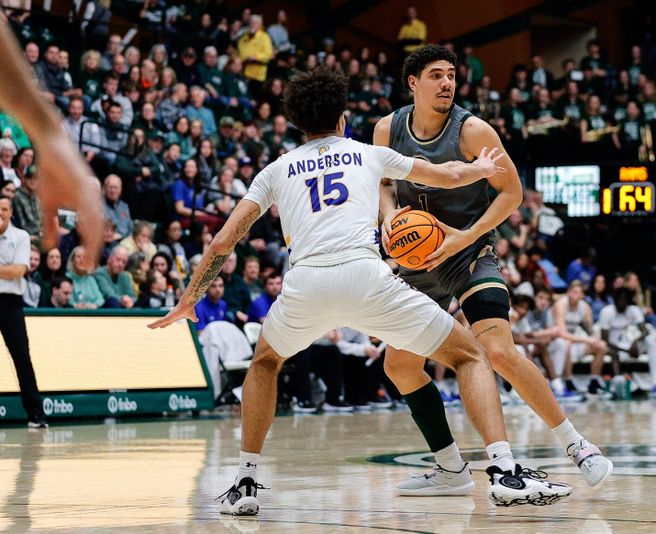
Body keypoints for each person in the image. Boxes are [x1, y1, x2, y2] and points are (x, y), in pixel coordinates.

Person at [149, 67, 573, 515]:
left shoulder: (275, 170)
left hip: (306, 285)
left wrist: (188, 299)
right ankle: (504, 472)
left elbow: (222, 242)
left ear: (298, 124)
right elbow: (445, 175)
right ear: (343, 118)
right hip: (365, 279)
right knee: (468, 355)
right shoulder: (367, 154)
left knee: (266, 362)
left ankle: (246, 480)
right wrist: (480, 168)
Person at [376, 45, 611, 495]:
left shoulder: (472, 130)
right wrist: (388, 217)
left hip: (467, 251)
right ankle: (450, 470)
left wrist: (464, 237)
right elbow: (381, 184)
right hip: (417, 255)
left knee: (500, 351)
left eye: (452, 75)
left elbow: (511, 192)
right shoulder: (387, 128)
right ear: (413, 82)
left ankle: (577, 445)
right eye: (437, 75)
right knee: (401, 364)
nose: (447, 83)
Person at [0, 197, 47, 427]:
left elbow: (18, 270)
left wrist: (8, 271)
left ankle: (36, 415)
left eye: (4, 208)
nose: (0, 212)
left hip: (10, 303)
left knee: (21, 357)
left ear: (10, 212)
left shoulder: (21, 237)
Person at [597, 287, 656, 397]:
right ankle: (616, 382)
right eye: (620, 299)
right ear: (615, 299)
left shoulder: (633, 310)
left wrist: (635, 342)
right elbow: (605, 339)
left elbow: (645, 331)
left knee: (650, 340)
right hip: (614, 348)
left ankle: (655, 384)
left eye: (625, 299)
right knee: (612, 352)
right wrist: (627, 349)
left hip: (628, 344)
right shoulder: (606, 311)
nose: (622, 301)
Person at [549, 281, 609, 397]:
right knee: (566, 342)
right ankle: (567, 381)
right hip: (554, 341)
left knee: (601, 345)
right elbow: (561, 333)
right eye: (572, 291)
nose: (573, 294)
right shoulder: (561, 304)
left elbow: (589, 329)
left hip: (573, 340)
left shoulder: (584, 307)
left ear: (582, 295)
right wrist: (586, 340)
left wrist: (594, 338)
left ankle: (594, 381)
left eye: (577, 292)